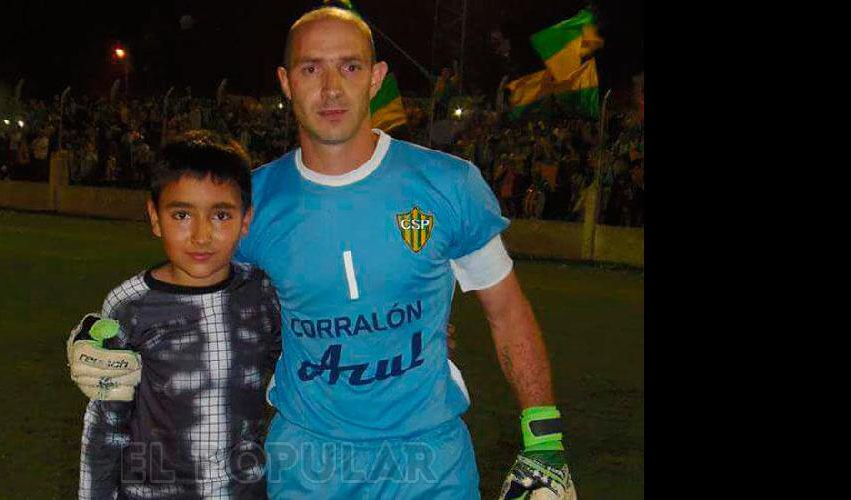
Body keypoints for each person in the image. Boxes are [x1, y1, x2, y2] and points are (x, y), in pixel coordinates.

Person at [79, 6, 576, 500]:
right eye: (311, 68)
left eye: (350, 66)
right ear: (286, 82)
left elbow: (506, 310)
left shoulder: (449, 184)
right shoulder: (254, 201)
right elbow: (188, 287)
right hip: (308, 464)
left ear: (376, 78)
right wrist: (105, 336)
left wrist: (545, 436)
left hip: (431, 464)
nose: (332, 87)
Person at [67, 130, 282, 499]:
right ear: (154, 217)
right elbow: (106, 425)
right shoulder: (129, 307)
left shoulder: (262, 295)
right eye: (182, 214)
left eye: (221, 215)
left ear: (246, 220)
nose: (201, 235)